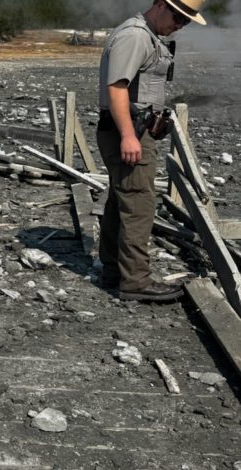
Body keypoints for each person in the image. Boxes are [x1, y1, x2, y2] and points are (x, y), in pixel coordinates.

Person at [97, 0, 205, 302]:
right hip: (129, 129)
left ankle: (115, 271)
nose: (180, 25)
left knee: (122, 199)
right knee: (139, 203)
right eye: (178, 17)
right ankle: (135, 282)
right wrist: (129, 135)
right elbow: (117, 88)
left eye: (186, 21)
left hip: (132, 128)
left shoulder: (146, 35)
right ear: (159, 5)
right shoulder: (135, 35)